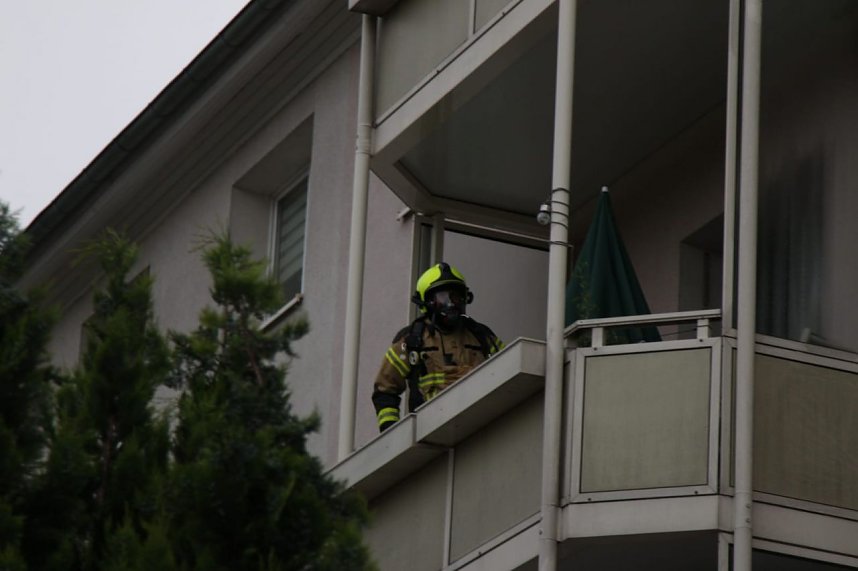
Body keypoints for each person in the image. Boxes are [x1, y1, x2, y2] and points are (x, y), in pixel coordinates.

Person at [372, 262, 504, 432]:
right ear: (426, 302)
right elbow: (385, 390)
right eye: (443, 297)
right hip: (430, 434)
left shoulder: (481, 335)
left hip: (479, 428)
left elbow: (508, 367)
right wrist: (390, 432)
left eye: (456, 297)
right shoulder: (411, 340)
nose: (451, 304)